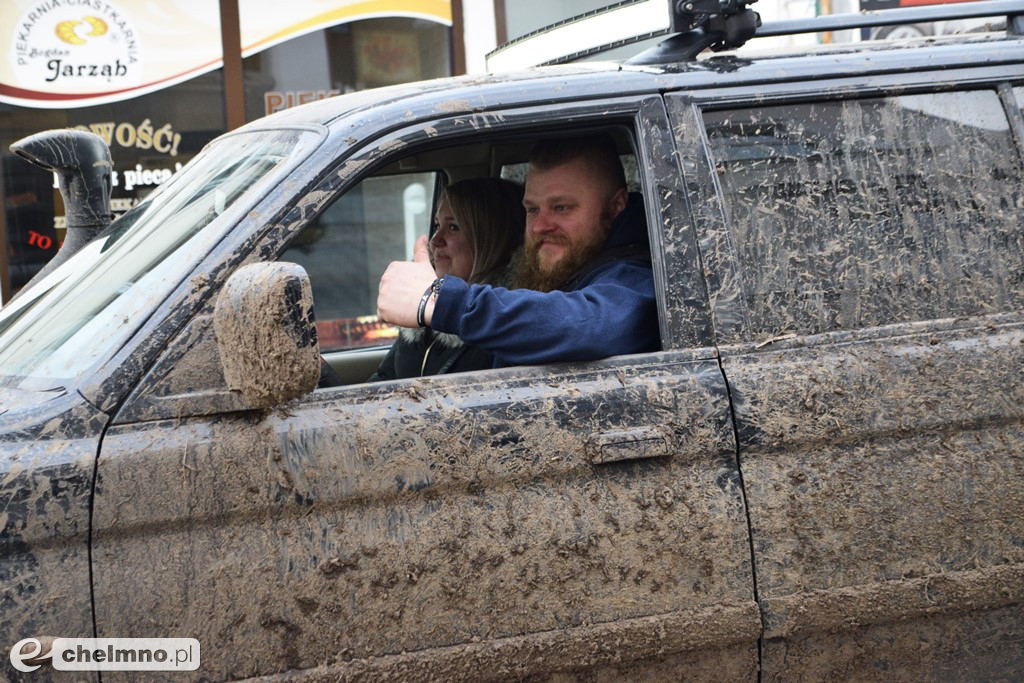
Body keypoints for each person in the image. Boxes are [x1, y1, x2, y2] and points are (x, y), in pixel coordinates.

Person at [376, 133, 659, 367]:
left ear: (616, 206)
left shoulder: (641, 276)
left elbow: (586, 325)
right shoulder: (555, 267)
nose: (539, 226)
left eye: (561, 208)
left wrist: (437, 302)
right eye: (532, 209)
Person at [367, 177, 524, 381]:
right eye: (437, 225)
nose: (435, 240)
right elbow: (382, 384)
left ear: (489, 237)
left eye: (453, 227)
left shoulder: (501, 322)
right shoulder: (424, 307)